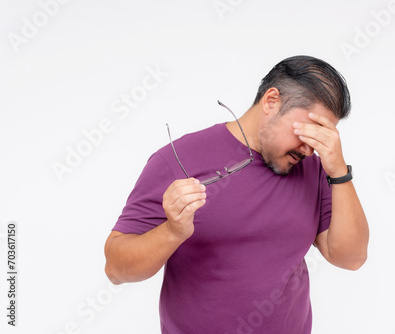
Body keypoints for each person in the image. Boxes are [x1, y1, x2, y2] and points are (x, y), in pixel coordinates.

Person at [104, 55, 369, 334]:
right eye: (310, 131)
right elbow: (116, 269)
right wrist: (172, 232)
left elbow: (350, 258)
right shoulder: (176, 160)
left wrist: (338, 170)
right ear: (271, 101)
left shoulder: (315, 169)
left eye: (324, 136)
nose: (309, 149)